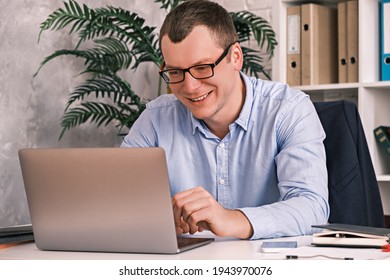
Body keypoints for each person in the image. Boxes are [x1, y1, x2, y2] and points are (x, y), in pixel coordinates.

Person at [121, 0, 329, 240]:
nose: (190, 87)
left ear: (236, 57)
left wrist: (230, 218)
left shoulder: (289, 110)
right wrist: (159, 215)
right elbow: (118, 195)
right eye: (176, 72)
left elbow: (312, 208)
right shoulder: (155, 119)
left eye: (202, 67)